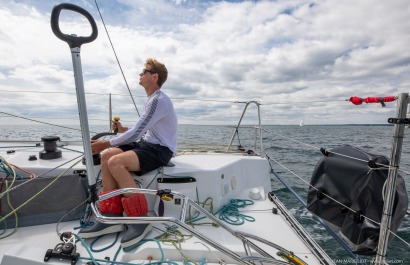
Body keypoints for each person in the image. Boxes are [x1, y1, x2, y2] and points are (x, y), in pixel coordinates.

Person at [78, 58, 177, 250]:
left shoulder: (158, 100)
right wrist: (123, 130)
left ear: (154, 76)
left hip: (161, 150)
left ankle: (140, 220)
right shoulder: (152, 99)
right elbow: (145, 130)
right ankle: (111, 214)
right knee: (107, 156)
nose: (140, 74)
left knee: (115, 161)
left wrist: (106, 142)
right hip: (148, 144)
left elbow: (139, 132)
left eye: (144, 71)